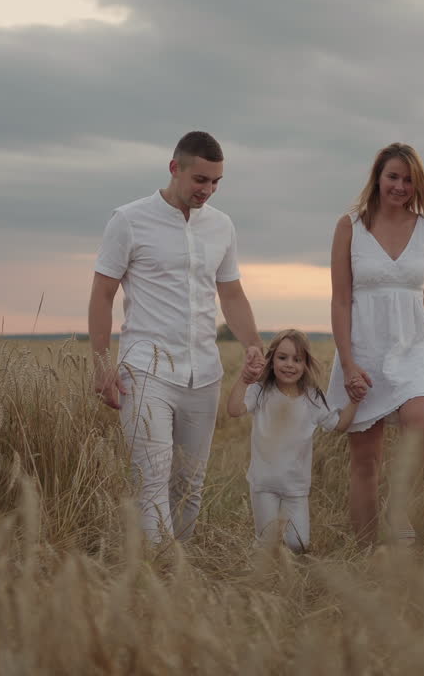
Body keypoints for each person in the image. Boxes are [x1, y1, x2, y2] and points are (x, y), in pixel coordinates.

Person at [88, 130, 266, 544]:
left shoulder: (222, 226)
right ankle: (157, 573)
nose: (208, 190)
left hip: (203, 374)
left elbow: (232, 292)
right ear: (175, 168)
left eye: (216, 182)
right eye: (200, 180)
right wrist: (100, 365)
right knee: (150, 478)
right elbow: (102, 293)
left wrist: (253, 343)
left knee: (189, 482)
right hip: (145, 370)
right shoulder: (128, 220)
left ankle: (179, 573)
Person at [327, 142, 424, 545]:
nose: (400, 186)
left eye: (408, 179)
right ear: (377, 178)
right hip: (364, 349)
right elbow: (340, 299)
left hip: (416, 346)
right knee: (366, 462)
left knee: (421, 425)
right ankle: (366, 553)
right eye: (393, 177)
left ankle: (400, 514)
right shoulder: (350, 226)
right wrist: (348, 364)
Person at [226, 329, 362, 553]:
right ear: (271, 360)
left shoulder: (312, 398)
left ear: (306, 363)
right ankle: (262, 576)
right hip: (264, 483)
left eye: (297, 359)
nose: (289, 364)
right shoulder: (261, 392)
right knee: (267, 542)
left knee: (298, 544)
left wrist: (355, 401)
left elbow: (339, 425)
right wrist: (244, 379)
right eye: (282, 357)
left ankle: (288, 568)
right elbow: (233, 410)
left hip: (295, 486)